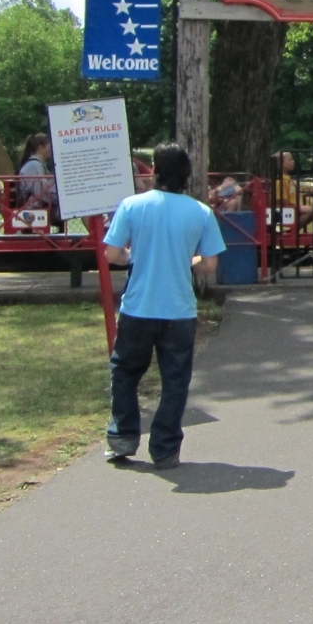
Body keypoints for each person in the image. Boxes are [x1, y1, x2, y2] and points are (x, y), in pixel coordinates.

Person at [101, 143, 225, 469]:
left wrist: (132, 256)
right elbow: (209, 264)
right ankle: (165, 448)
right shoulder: (201, 213)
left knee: (125, 373)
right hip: (179, 310)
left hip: (139, 306)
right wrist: (189, 260)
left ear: (154, 171)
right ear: (187, 175)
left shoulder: (132, 205)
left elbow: (112, 254)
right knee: (175, 380)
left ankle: (123, 437)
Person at [15, 134, 54, 210]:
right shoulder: (34, 165)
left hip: (39, 204)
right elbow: (41, 192)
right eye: (49, 147)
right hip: (33, 206)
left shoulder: (39, 164)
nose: (51, 150)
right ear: (40, 148)